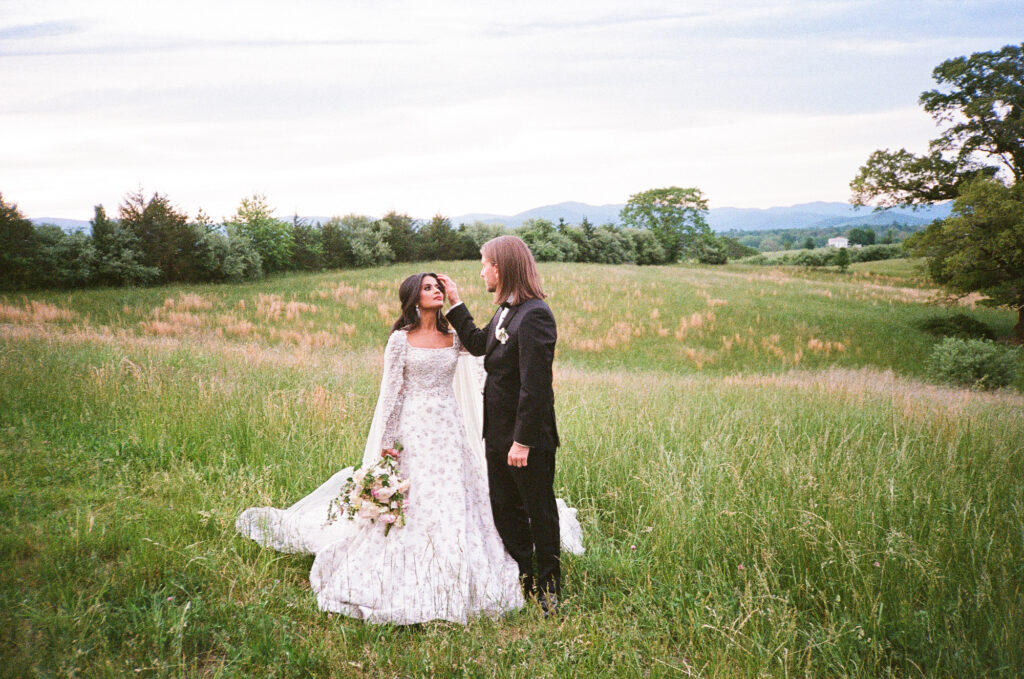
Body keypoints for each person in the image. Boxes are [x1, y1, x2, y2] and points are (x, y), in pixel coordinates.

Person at [236, 273, 582, 625]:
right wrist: (387, 444)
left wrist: (507, 409)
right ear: (413, 298)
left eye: (438, 287)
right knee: (416, 497)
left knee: (459, 493)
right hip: (414, 428)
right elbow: (391, 394)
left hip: (449, 427)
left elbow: (486, 351)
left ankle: (482, 560)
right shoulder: (400, 340)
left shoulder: (453, 337)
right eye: (428, 288)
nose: (436, 292)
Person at [437, 235, 563, 615]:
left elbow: (536, 388)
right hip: (496, 435)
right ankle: (524, 577)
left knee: (538, 509)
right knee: (504, 509)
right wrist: (455, 303)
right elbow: (477, 345)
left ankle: (550, 587)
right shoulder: (506, 312)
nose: (482, 272)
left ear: (502, 267)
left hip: (527, 440)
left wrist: (522, 442)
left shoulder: (535, 314)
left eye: (485, 264)